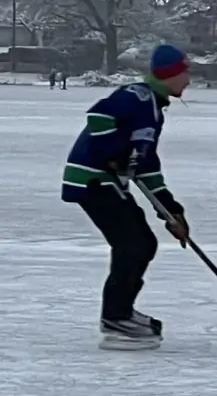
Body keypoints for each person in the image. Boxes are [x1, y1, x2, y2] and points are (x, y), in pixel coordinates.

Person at [63, 44, 192, 350]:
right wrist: (114, 153)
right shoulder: (137, 96)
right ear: (168, 75)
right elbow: (99, 116)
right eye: (185, 73)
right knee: (131, 244)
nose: (188, 80)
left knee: (144, 243)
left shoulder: (154, 111)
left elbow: (145, 166)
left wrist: (172, 212)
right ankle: (115, 316)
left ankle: (122, 312)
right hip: (92, 180)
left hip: (111, 183)